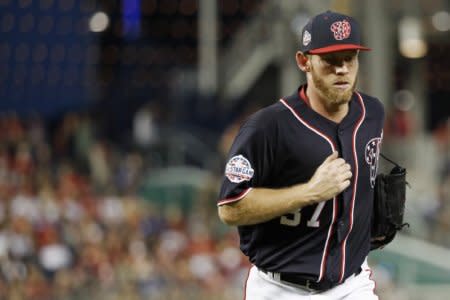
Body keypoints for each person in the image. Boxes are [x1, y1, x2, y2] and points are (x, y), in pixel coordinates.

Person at [217, 11, 384, 300]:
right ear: (304, 61)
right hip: (281, 288)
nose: (342, 69)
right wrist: (309, 192)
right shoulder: (268, 127)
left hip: (351, 285)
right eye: (331, 60)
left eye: (350, 58)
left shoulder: (372, 114)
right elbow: (230, 208)